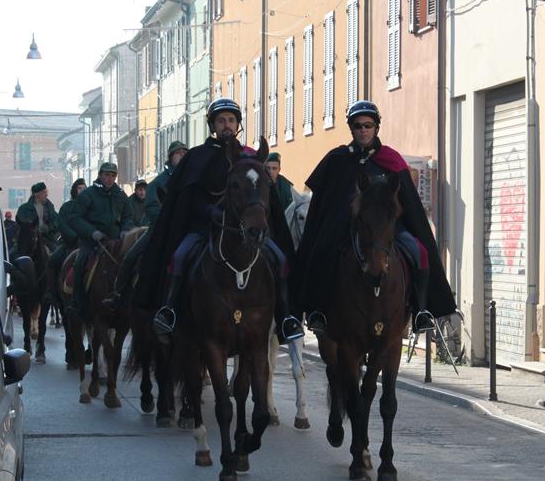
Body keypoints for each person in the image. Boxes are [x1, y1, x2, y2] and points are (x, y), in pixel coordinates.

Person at [131, 98, 303, 345]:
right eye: (221, 121)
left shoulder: (250, 158)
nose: (227, 125)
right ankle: (170, 311)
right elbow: (188, 198)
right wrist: (209, 211)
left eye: (231, 120)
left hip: (246, 231)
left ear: (238, 125)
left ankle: (285, 317)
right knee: (179, 257)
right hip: (204, 228)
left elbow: (265, 198)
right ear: (213, 125)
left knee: (281, 258)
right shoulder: (197, 157)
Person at [293, 100, 455, 336]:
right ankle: (318, 310)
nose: (363, 130)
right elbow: (324, 201)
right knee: (322, 250)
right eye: (358, 126)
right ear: (352, 129)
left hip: (387, 228)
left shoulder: (391, 159)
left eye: (368, 125)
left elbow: (409, 203)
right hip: (345, 227)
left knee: (419, 251)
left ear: (376, 127)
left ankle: (421, 311)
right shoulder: (338, 159)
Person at [65, 163, 134, 319]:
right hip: (92, 243)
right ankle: (77, 303)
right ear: (100, 175)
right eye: (107, 175)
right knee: (80, 264)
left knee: (131, 264)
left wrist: (125, 230)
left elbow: (128, 216)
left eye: (113, 176)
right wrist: (92, 232)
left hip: (115, 243)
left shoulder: (120, 195)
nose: (110, 179)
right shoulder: (87, 194)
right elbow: (74, 218)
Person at [44, 178, 87, 304]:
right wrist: (74, 237)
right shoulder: (66, 207)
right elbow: (62, 224)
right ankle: (51, 291)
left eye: (84, 188)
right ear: (74, 190)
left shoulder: (90, 207)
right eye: (79, 188)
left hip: (87, 243)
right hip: (69, 243)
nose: (82, 191)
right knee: (53, 260)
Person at [145, 141, 188, 226]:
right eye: (178, 152)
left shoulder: (192, 179)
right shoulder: (158, 183)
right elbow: (152, 209)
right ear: (171, 157)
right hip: (166, 227)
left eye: (184, 152)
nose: (182, 155)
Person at [15, 182, 59, 248]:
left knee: (56, 252)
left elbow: (57, 222)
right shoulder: (24, 209)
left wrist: (48, 228)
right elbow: (21, 225)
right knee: (14, 252)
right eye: (44, 192)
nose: (46, 195)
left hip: (47, 238)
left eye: (46, 192)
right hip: (27, 239)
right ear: (37, 195)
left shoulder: (50, 208)